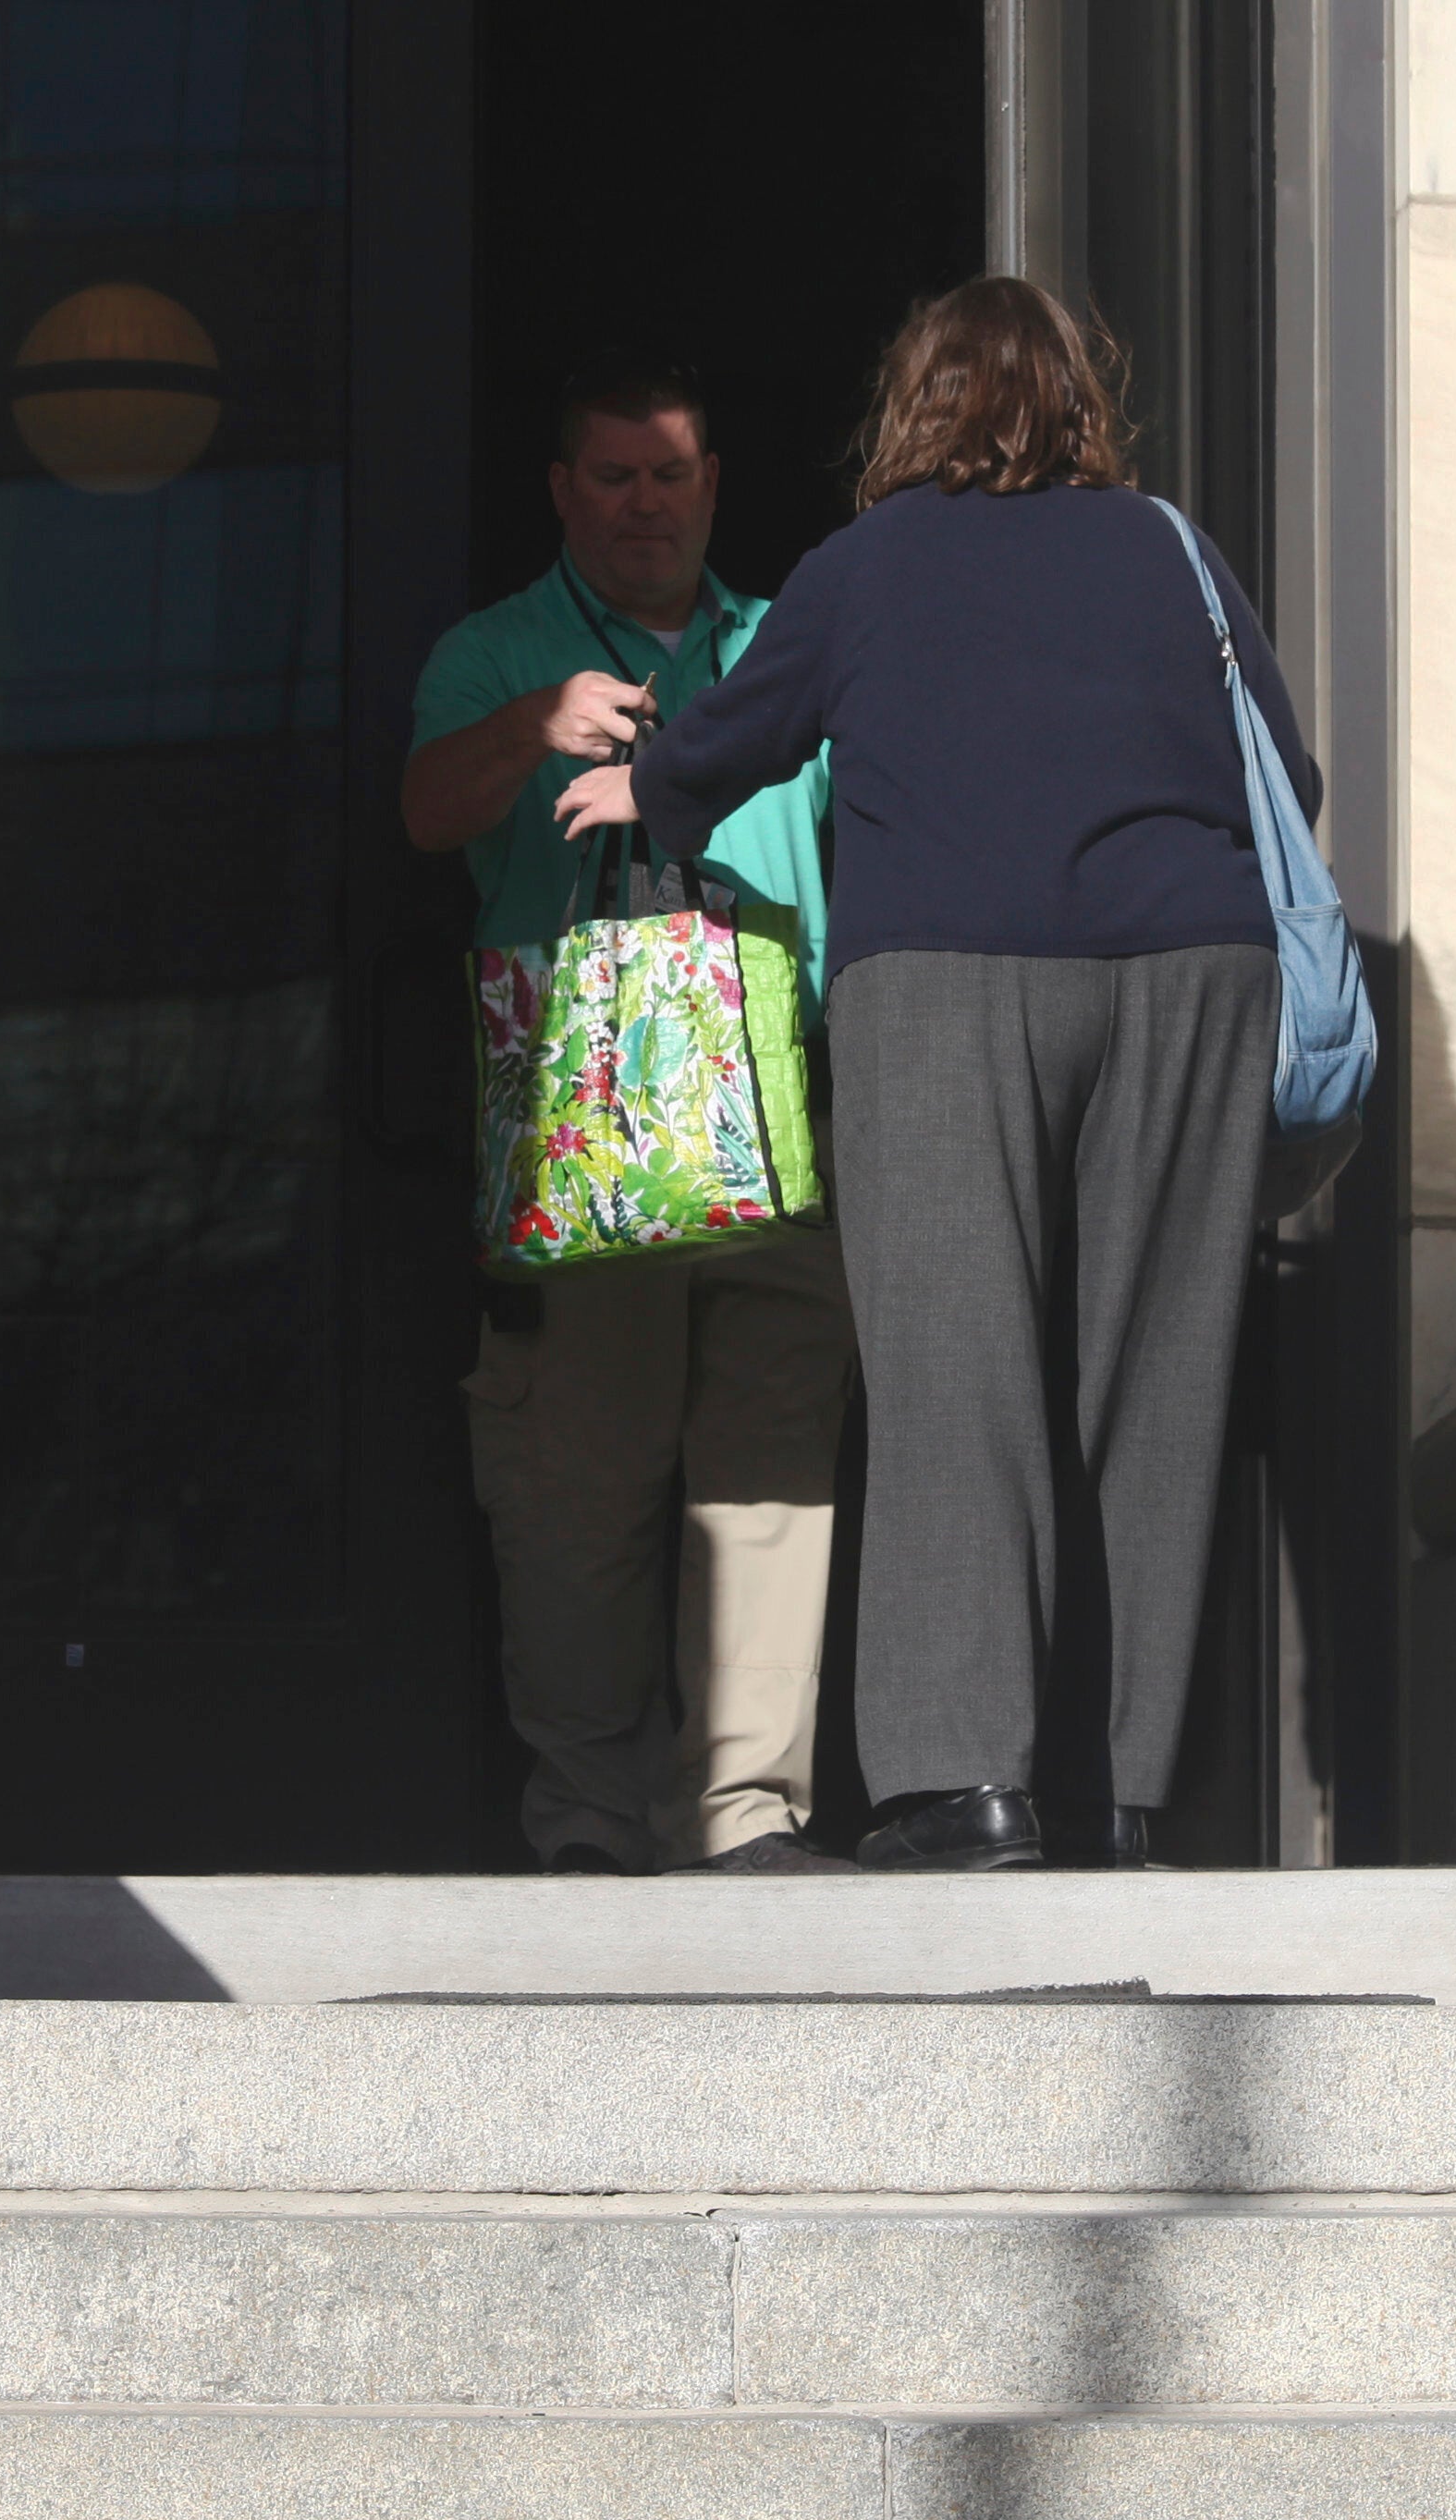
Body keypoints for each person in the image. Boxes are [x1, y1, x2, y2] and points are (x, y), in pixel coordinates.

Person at [559, 278, 1317, 1873]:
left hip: (949, 979)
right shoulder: (1171, 547)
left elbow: (736, 733)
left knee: (952, 1376)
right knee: (1155, 1386)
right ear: (1074, 401)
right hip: (1190, 979)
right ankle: (1118, 1795)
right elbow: (1288, 769)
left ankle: (963, 1789)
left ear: (914, 407)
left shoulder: (872, 561)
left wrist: (648, 781)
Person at [405, 359, 855, 1875]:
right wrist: (535, 723)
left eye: (670, 474)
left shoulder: (788, 644)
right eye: (612, 476)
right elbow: (421, 812)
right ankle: (588, 1822)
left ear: (713, 485)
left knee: (772, 1476)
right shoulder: (498, 651)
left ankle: (743, 1817)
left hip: (781, 1126)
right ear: (561, 493)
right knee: (575, 1491)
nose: (645, 502)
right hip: (580, 1138)